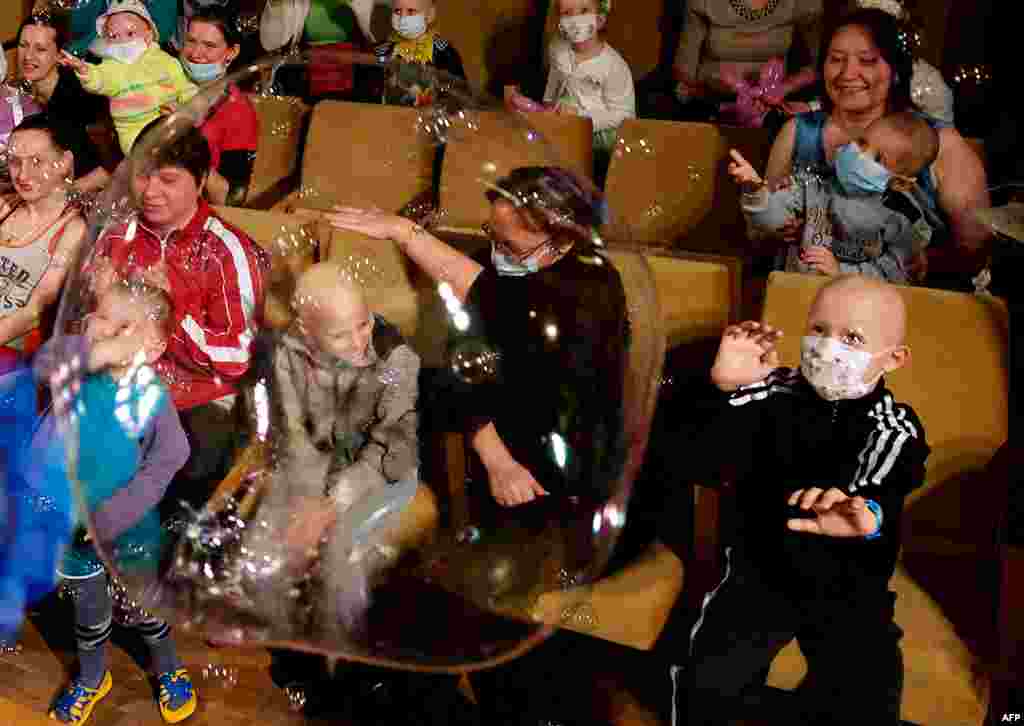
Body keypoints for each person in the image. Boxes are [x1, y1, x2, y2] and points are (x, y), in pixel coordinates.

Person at [328, 166, 628, 724]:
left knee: (470, 612)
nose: (495, 250)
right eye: (491, 236)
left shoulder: (578, 299)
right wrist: (402, 231)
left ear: (557, 238)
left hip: (556, 483)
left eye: (506, 241)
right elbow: (485, 292)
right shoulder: (555, 273)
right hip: (513, 466)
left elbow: (484, 350)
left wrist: (495, 458)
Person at [657, 275, 928, 725]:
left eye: (852, 338)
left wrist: (865, 512)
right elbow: (695, 458)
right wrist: (724, 390)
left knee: (869, 693)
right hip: (760, 572)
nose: (827, 347)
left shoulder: (893, 424)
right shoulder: (770, 390)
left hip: (850, 588)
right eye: (819, 329)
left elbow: (888, 477)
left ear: (894, 358)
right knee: (706, 680)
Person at [32, 279, 196, 725]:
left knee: (146, 611)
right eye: (97, 315)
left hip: (128, 529)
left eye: (119, 324)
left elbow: (170, 458)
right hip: (69, 527)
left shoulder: (152, 398)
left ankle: (168, 668)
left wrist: (113, 516)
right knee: (89, 614)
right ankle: (91, 678)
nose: (100, 328)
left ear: (154, 346)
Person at [85, 121, 268, 489]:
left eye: (167, 180)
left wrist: (173, 311)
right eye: (142, 177)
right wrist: (99, 300)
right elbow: (82, 326)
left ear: (200, 182)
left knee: (177, 479)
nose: (150, 191)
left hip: (196, 401)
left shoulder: (226, 251)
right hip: (116, 385)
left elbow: (236, 358)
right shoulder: (118, 234)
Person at [765, 8, 991, 290]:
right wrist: (780, 224)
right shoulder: (797, 132)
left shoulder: (939, 142)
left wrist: (912, 258)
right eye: (836, 60)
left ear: (895, 70)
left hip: (907, 304)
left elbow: (975, 250)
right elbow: (757, 235)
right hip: (806, 297)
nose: (848, 73)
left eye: (867, 61)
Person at [731, 110, 941, 281]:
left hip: (853, 312)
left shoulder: (901, 217)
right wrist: (755, 190)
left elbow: (894, 275)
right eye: (861, 142)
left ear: (899, 182)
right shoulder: (815, 183)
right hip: (794, 294)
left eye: (877, 158)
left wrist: (841, 273)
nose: (859, 155)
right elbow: (770, 220)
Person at [58, 0, 197, 155]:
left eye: (130, 33)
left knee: (177, 155)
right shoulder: (111, 66)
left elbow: (186, 88)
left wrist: (189, 109)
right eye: (114, 36)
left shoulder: (165, 61)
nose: (123, 41)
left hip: (166, 123)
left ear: (149, 35)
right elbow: (99, 80)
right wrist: (83, 69)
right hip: (133, 133)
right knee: (143, 166)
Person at [0, 115, 87, 357]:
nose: (23, 175)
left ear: (64, 163)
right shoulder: (4, 206)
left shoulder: (72, 229)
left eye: (36, 161)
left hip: (10, 354)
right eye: (15, 162)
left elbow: (35, 311)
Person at [672, 0, 823, 121]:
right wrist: (729, 92)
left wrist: (785, 88)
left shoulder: (804, 4)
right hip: (710, 104)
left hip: (773, 107)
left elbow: (821, 64)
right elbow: (684, 72)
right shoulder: (703, 4)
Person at [14, 13, 111, 194]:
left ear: (59, 55)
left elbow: (111, 165)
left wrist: (63, 194)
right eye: (23, 45)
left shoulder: (80, 94)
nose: (28, 56)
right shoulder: (23, 95)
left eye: (40, 49)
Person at [540, 0, 634, 180]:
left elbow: (623, 113)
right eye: (567, 12)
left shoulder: (613, 66)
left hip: (602, 127)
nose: (575, 18)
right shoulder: (557, 48)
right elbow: (556, 74)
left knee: (591, 172)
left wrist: (581, 117)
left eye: (584, 10)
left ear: (599, 19)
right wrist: (548, 102)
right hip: (567, 116)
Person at [180, 7, 260, 206]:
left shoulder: (237, 110)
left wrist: (188, 148)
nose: (196, 53)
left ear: (232, 52)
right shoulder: (164, 86)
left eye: (209, 45)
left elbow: (230, 199)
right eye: (191, 41)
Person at [372, 0, 467, 107]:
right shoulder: (383, 50)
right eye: (397, 11)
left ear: (430, 14)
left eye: (411, 11)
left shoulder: (443, 50)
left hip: (430, 116)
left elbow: (458, 89)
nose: (403, 18)